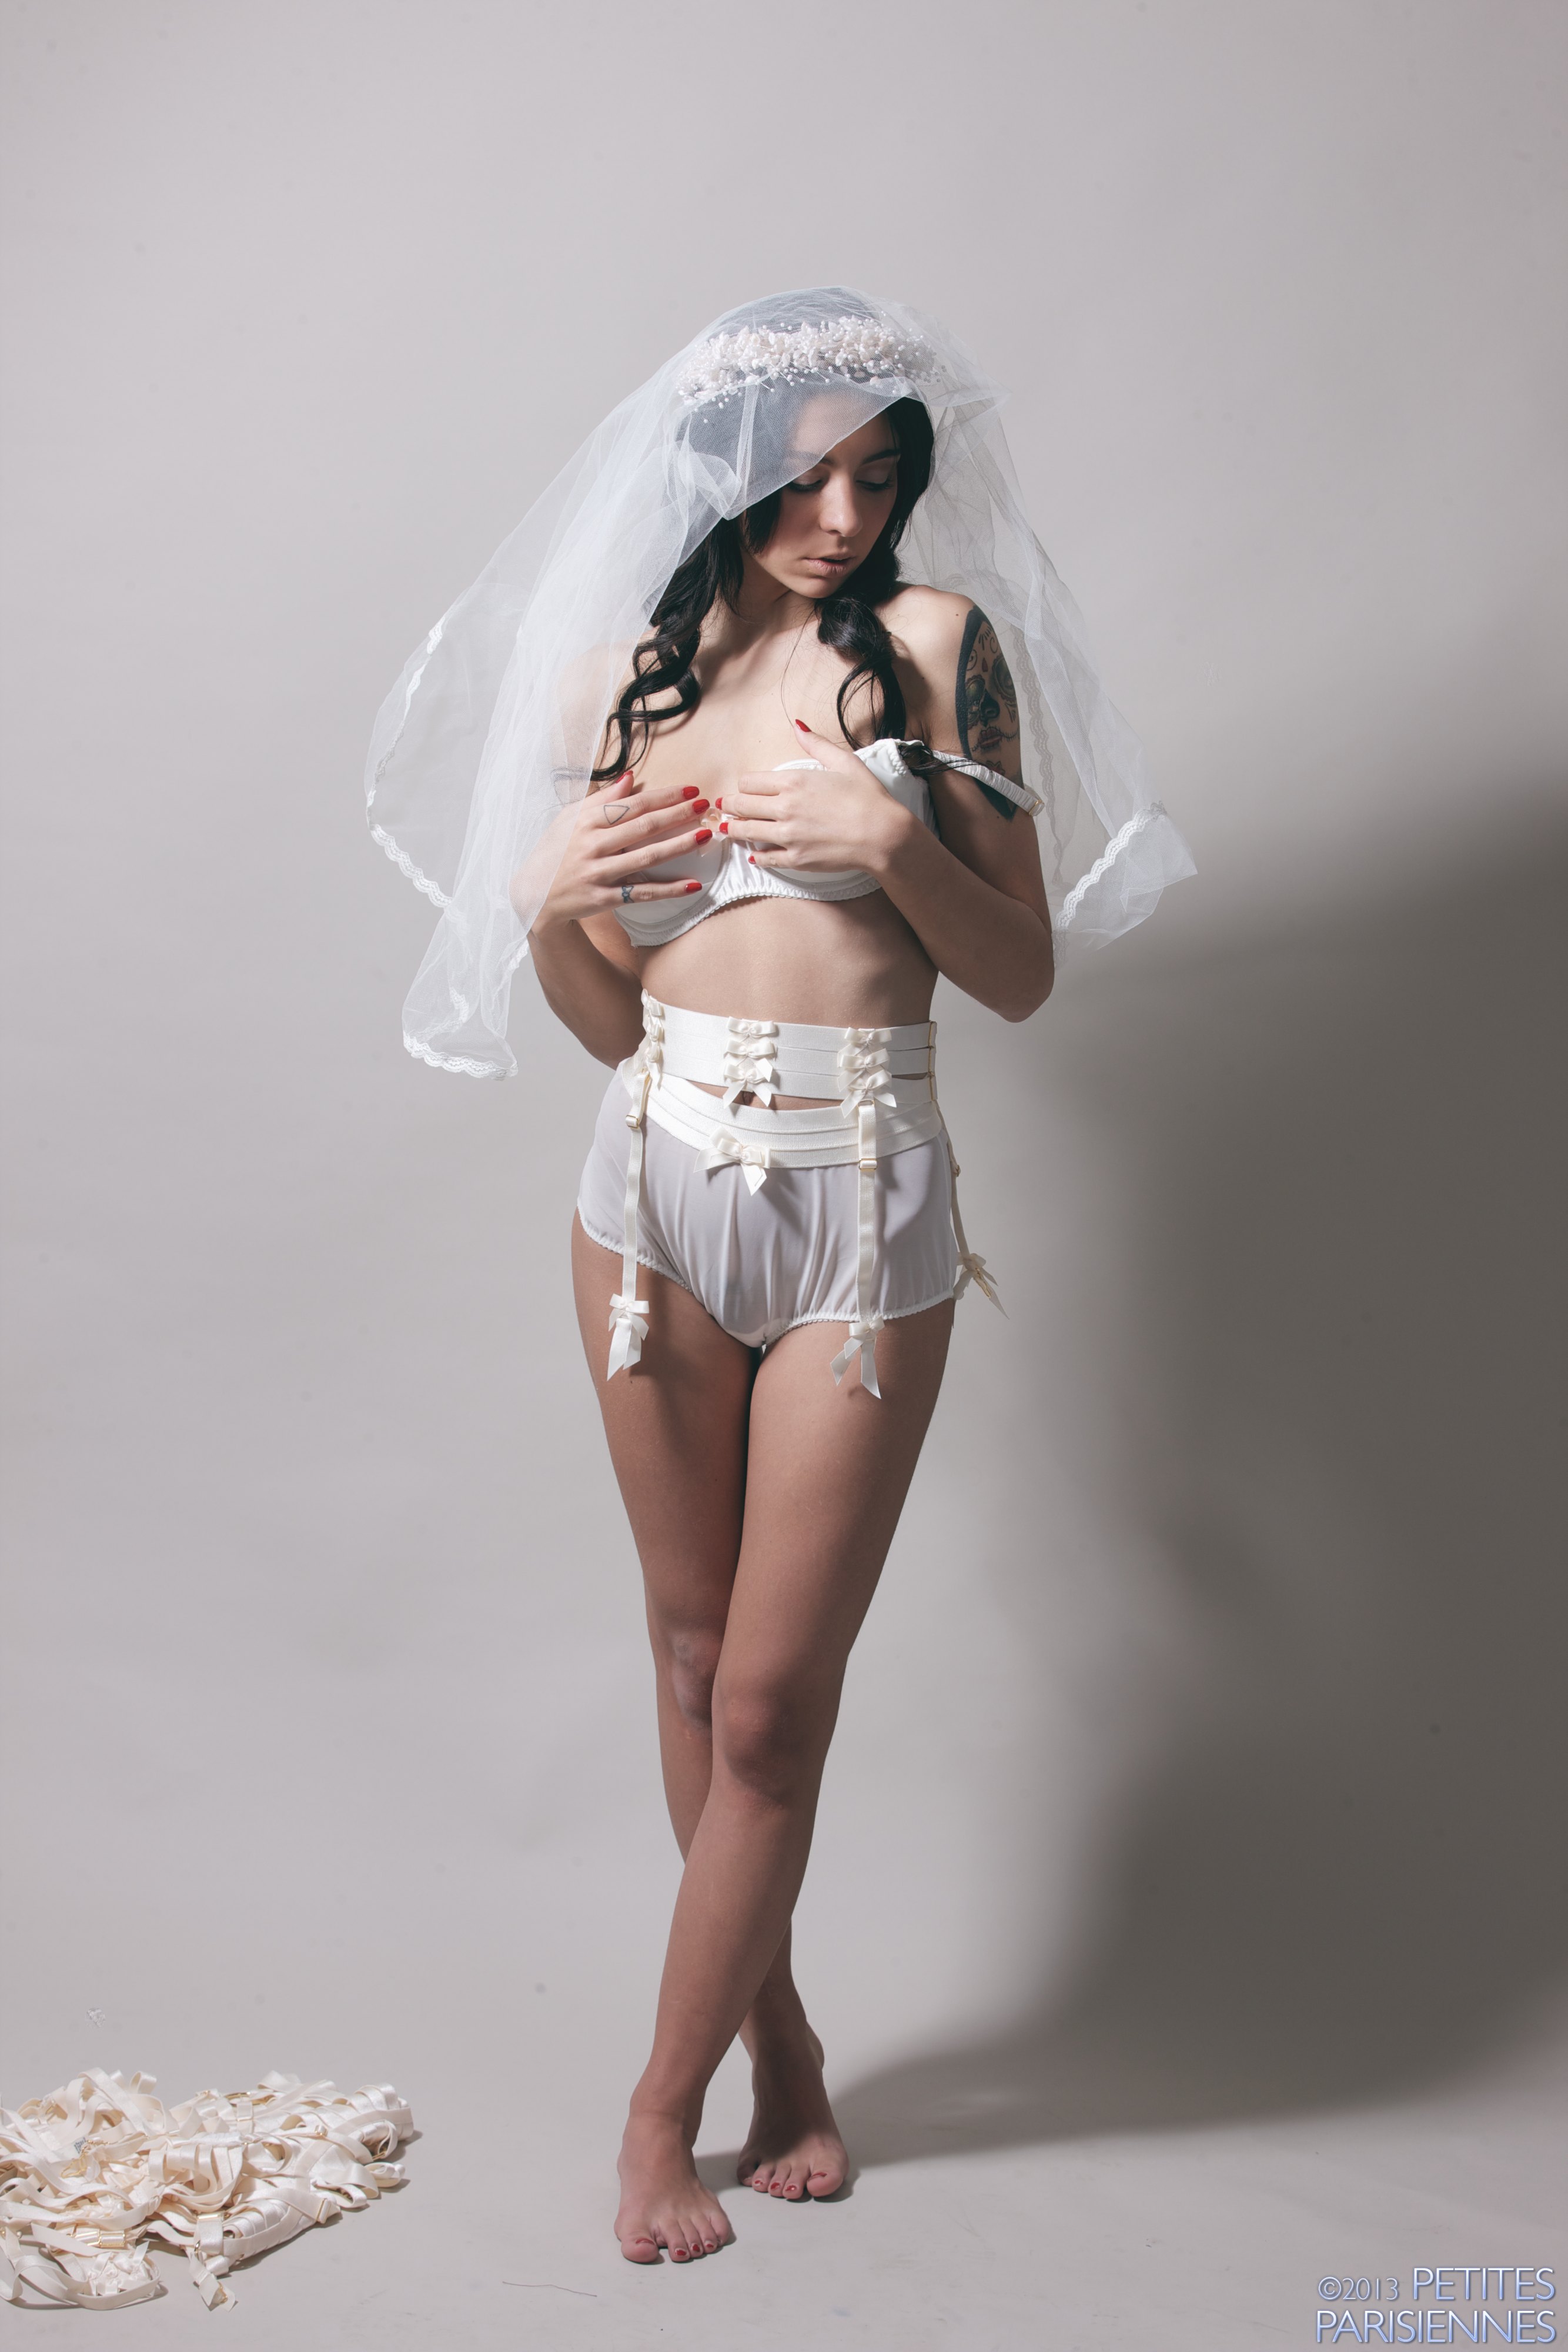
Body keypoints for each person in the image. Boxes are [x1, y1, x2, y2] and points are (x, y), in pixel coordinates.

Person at [366, 291, 1194, 2264]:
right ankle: (783, 2046)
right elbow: (606, 1021)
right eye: (808, 476)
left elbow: (1016, 974)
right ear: (721, 471)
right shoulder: (608, 687)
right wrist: (548, 913)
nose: (843, 518)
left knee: (762, 1709)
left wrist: (886, 839)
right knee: (681, 1654)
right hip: (647, 1202)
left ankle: (655, 2116)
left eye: (879, 480)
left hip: (862, 1204)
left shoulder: (936, 651)